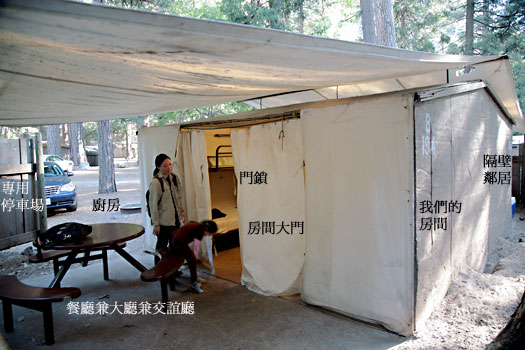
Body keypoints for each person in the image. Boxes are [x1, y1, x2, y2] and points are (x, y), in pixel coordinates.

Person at [148, 153, 185, 261]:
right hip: (164, 222)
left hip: (175, 219)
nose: (168, 167)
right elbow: (153, 204)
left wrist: (182, 210)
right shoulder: (156, 182)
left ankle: (173, 270)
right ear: (158, 167)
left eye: (169, 164)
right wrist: (156, 224)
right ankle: (160, 271)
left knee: (175, 246)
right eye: (165, 166)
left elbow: (179, 196)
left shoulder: (174, 178)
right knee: (161, 248)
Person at [170, 220, 218, 293]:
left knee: (191, 259)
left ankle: (194, 278)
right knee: (192, 261)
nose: (209, 235)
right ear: (207, 229)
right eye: (210, 233)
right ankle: (194, 283)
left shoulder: (198, 225)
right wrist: (194, 258)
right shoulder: (200, 230)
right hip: (178, 242)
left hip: (174, 239)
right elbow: (196, 247)